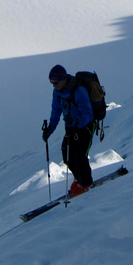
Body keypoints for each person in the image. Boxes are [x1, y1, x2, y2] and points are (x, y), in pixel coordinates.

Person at [42, 64, 96, 197]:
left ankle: (86, 184)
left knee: (80, 157)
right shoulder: (58, 92)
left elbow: (88, 114)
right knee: (67, 156)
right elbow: (56, 110)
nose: (53, 85)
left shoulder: (79, 91)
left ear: (63, 79)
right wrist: (50, 128)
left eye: (55, 82)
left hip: (86, 127)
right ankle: (80, 181)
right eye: (51, 82)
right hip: (71, 128)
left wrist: (77, 122)